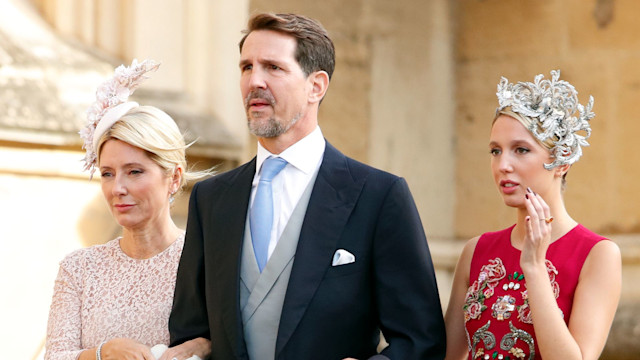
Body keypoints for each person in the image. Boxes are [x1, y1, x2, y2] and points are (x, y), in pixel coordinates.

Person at [169, 13, 446, 360]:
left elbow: (420, 341)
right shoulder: (211, 200)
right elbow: (190, 331)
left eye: (273, 67)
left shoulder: (379, 196)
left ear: (316, 86)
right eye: (246, 67)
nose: (255, 81)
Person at [444, 70, 621, 360]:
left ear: (562, 158)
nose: (503, 165)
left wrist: (535, 268)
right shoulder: (476, 251)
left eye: (521, 150)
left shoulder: (597, 254)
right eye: (495, 151)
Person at [45, 59, 211, 360]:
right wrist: (101, 353)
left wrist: (207, 346)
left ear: (173, 177)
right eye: (108, 173)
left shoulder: (207, 260)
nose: (117, 188)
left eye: (134, 172)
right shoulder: (79, 269)